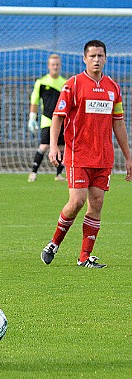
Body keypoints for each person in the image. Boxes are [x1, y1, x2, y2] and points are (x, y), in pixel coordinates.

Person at [41, 40, 132, 268]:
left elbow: (118, 124)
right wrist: (53, 146)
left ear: (105, 58)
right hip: (78, 154)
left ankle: (84, 257)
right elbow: (58, 117)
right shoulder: (73, 85)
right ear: (84, 58)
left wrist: (128, 156)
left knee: (97, 203)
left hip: (103, 157)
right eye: (92, 56)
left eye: (100, 56)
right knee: (77, 201)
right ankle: (54, 243)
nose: (96, 60)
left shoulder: (113, 88)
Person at [27, 54, 67, 182]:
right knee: (44, 146)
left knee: (62, 147)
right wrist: (32, 118)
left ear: (60, 66)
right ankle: (33, 172)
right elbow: (35, 100)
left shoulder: (65, 83)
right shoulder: (41, 82)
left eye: (57, 64)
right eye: (53, 64)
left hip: (62, 121)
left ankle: (58, 174)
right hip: (47, 120)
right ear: (49, 66)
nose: (55, 67)